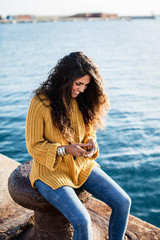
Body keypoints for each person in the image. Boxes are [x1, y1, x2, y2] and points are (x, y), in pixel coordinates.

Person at [25, 51, 131, 240]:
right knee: (82, 221)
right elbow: (33, 146)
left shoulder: (81, 101)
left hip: (80, 165)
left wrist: (92, 145)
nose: (82, 89)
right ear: (65, 78)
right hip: (50, 172)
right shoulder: (40, 103)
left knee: (123, 202)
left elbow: (89, 133)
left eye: (86, 85)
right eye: (78, 84)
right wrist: (65, 149)